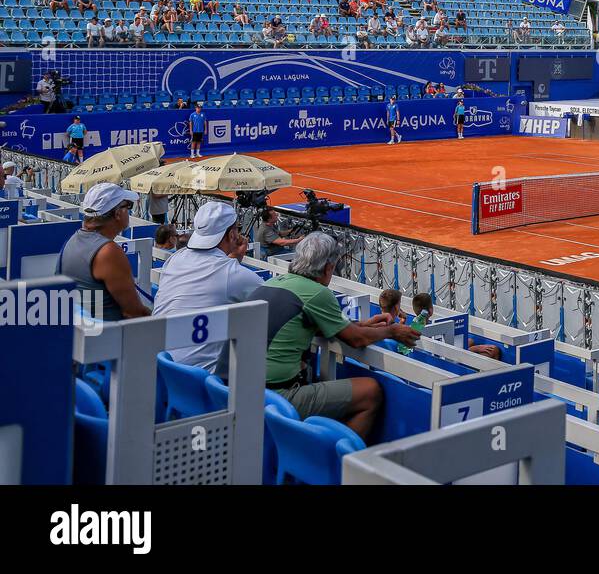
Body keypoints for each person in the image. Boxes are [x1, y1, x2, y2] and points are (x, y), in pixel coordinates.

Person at [254, 232, 418, 438]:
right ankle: (335, 461)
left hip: (249, 389)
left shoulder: (274, 283)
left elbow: (322, 327)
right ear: (328, 267)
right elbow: (356, 339)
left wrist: (365, 324)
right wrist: (392, 331)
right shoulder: (317, 292)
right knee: (370, 392)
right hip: (278, 395)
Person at [152, 201, 263, 374]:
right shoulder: (233, 274)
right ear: (232, 234)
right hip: (200, 380)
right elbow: (274, 301)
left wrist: (233, 259)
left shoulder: (175, 259)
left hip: (162, 367)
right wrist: (235, 260)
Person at [57, 184, 151, 321]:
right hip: (106, 336)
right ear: (118, 213)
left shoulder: (74, 239)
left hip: (80, 331)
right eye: (128, 206)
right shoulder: (108, 252)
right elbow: (133, 312)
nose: (129, 211)